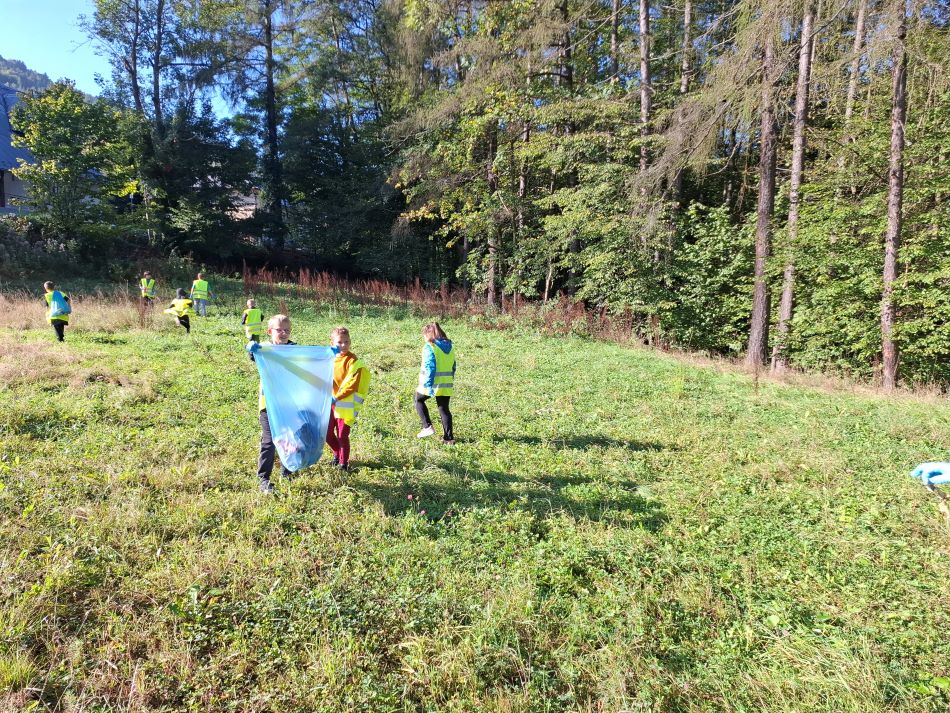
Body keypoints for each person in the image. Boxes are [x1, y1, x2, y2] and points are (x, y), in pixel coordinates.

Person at [250, 314, 296, 492]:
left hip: (289, 403)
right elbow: (252, 355)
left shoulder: (294, 349)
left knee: (288, 437)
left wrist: (328, 354)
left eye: (287, 330)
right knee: (269, 441)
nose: (283, 333)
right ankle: (263, 479)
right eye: (279, 330)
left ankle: (287, 469)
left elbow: (311, 358)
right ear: (269, 332)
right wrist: (251, 348)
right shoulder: (264, 349)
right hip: (268, 404)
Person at [326, 326, 370, 472]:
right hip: (329, 403)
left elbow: (352, 385)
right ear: (331, 342)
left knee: (342, 434)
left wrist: (337, 397)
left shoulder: (353, 361)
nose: (343, 345)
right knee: (326, 433)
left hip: (345, 405)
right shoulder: (328, 358)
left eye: (346, 342)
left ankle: (343, 464)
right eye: (339, 342)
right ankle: (337, 454)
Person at [415, 322, 455, 444]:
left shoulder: (430, 346)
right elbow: (453, 366)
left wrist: (427, 385)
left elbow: (429, 367)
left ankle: (427, 427)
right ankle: (449, 439)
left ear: (428, 334)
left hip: (432, 382)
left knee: (418, 400)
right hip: (446, 383)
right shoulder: (450, 346)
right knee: (444, 409)